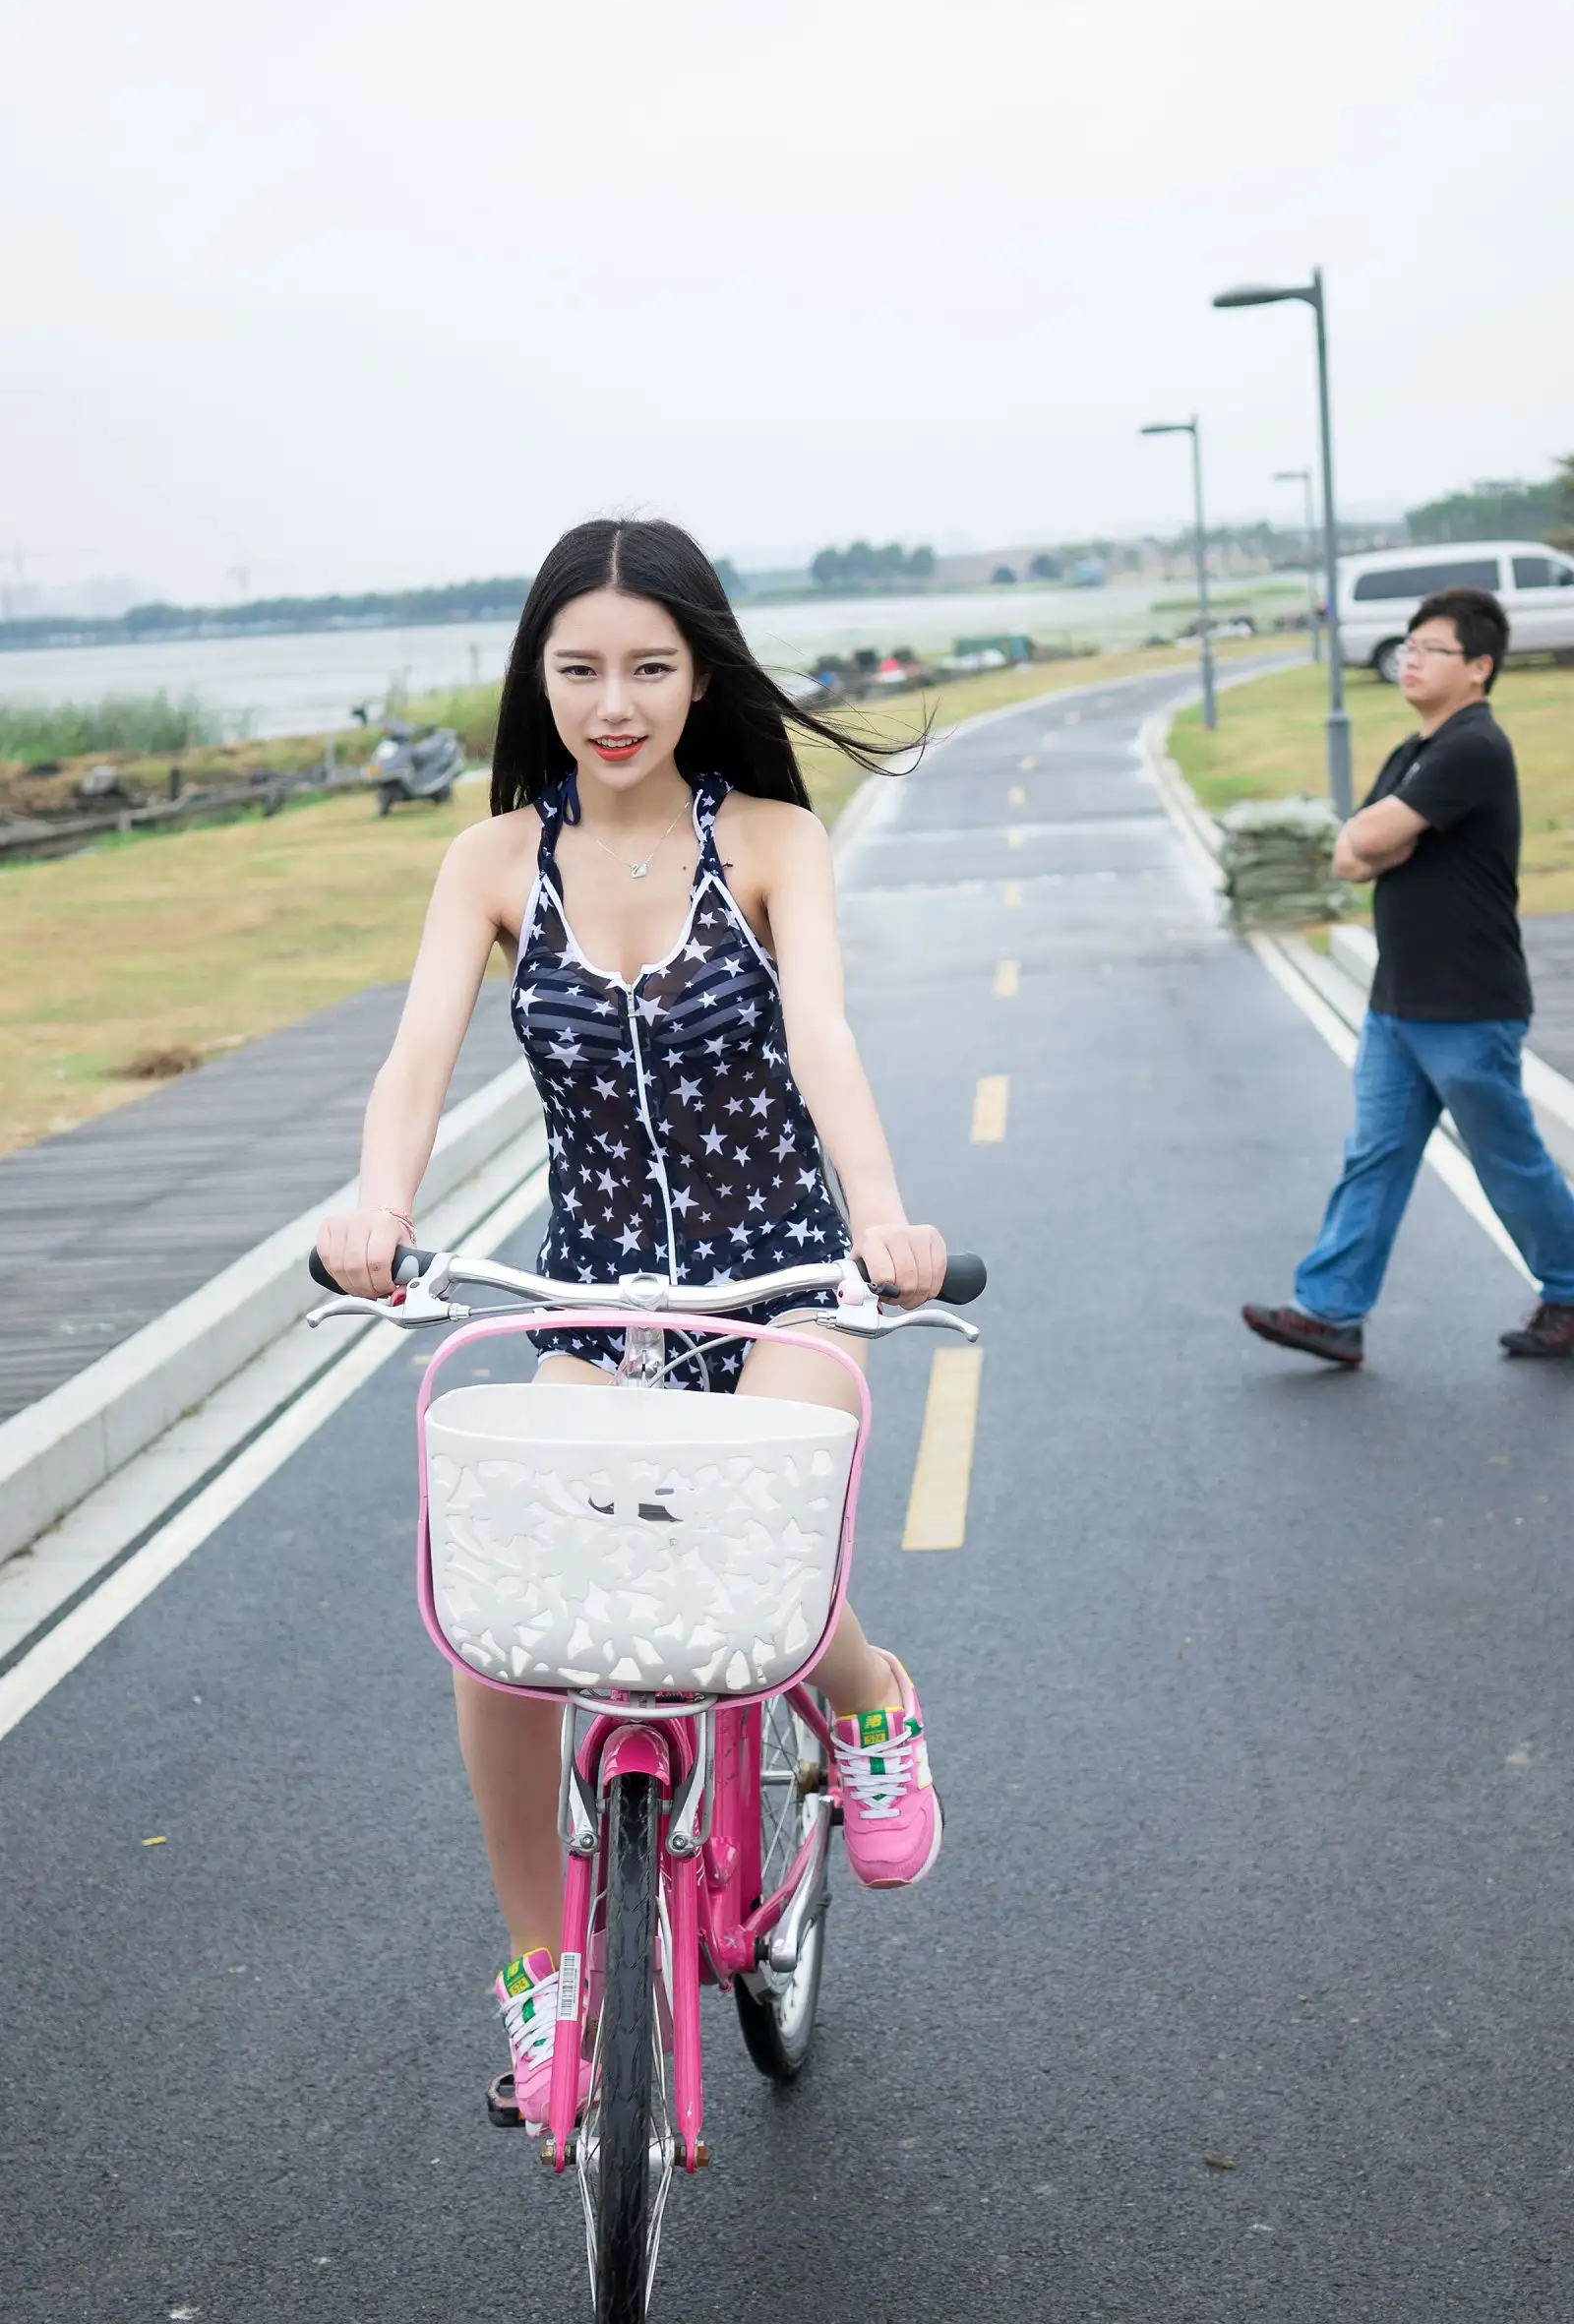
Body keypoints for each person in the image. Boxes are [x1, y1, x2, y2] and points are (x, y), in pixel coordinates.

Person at [315, 517, 947, 2128]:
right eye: (580, 667)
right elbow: (411, 1070)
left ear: (698, 673)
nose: (615, 700)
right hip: (588, 1283)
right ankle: (544, 1971)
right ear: (539, 676)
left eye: (649, 667)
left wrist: (880, 1221)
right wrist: (374, 1208)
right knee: (509, 1615)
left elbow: (826, 1048)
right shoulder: (488, 861)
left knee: (769, 1553)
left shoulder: (776, 842)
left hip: (785, 1269)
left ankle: (865, 1699)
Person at [1242, 584, 1574, 1367]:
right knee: (1376, 1156)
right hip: (1400, 1000)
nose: (1412, 659)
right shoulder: (1416, 749)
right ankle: (1328, 1312)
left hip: (1466, 1001)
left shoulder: (1472, 747)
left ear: (1481, 668)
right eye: (1411, 646)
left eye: (1434, 650)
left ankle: (1570, 1288)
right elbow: (1350, 852)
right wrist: (1381, 837)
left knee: (1506, 1158)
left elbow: (1371, 837)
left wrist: (1385, 836)